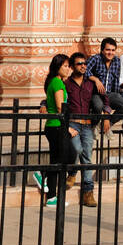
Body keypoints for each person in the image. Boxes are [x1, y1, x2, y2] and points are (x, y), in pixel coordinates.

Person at [39, 53, 77, 207]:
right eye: (65, 66)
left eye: (69, 66)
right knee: (69, 155)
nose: (68, 69)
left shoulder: (55, 82)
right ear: (58, 67)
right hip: (57, 126)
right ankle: (43, 176)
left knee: (58, 160)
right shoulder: (57, 83)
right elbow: (61, 107)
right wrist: (68, 127)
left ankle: (52, 197)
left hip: (54, 126)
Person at [64, 52, 101, 206]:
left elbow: (103, 99)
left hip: (87, 125)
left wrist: (105, 115)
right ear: (72, 67)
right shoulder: (66, 84)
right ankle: (72, 172)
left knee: (87, 158)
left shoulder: (90, 84)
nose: (83, 66)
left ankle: (88, 193)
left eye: (85, 63)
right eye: (79, 64)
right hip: (72, 123)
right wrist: (43, 106)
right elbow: (52, 99)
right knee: (77, 150)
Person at [85, 37, 123, 131]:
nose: (110, 53)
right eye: (107, 50)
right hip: (95, 93)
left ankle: (106, 125)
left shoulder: (117, 62)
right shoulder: (95, 59)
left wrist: (107, 115)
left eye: (113, 50)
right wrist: (95, 79)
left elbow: (116, 82)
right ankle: (93, 126)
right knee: (98, 106)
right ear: (102, 50)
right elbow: (84, 70)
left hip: (110, 94)